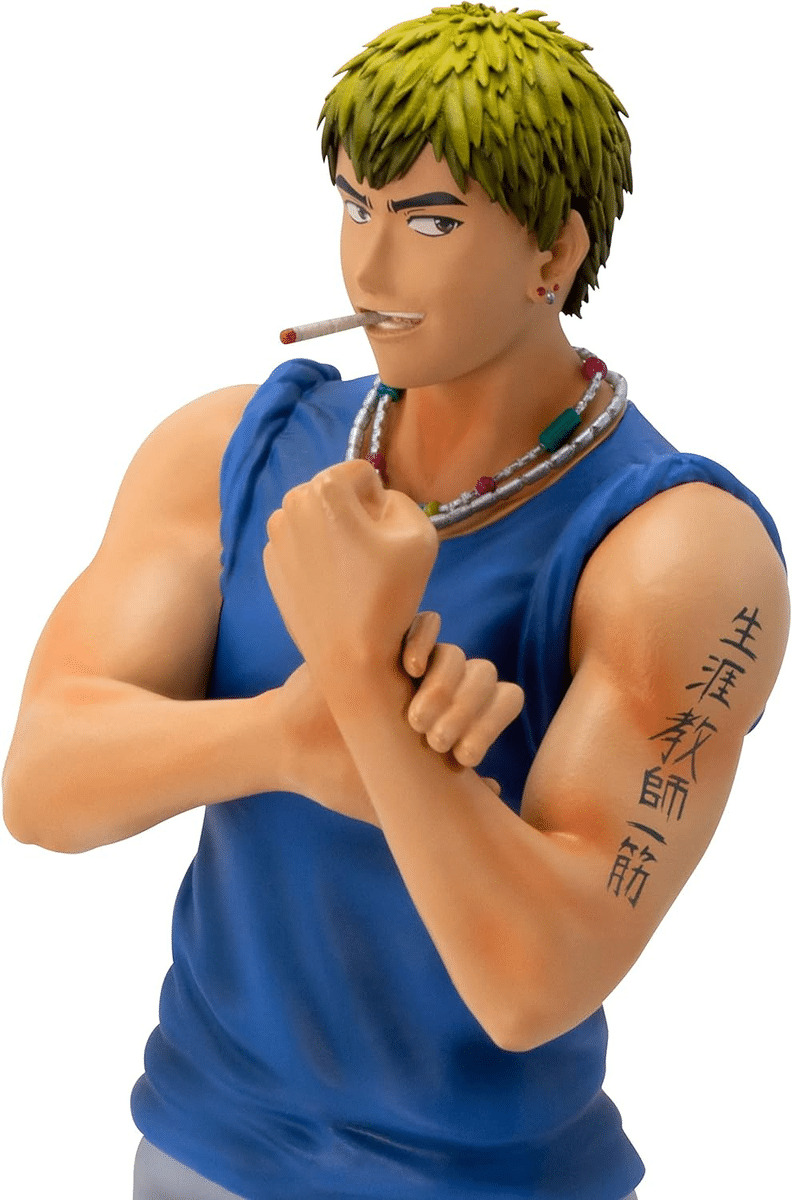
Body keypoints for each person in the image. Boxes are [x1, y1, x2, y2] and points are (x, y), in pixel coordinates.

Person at [3, 5, 788, 1200]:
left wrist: (366, 688)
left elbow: (539, 978)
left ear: (554, 253)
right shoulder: (231, 449)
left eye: (430, 222)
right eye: (354, 205)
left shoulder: (679, 553)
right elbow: (42, 782)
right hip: (200, 1148)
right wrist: (293, 731)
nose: (369, 269)